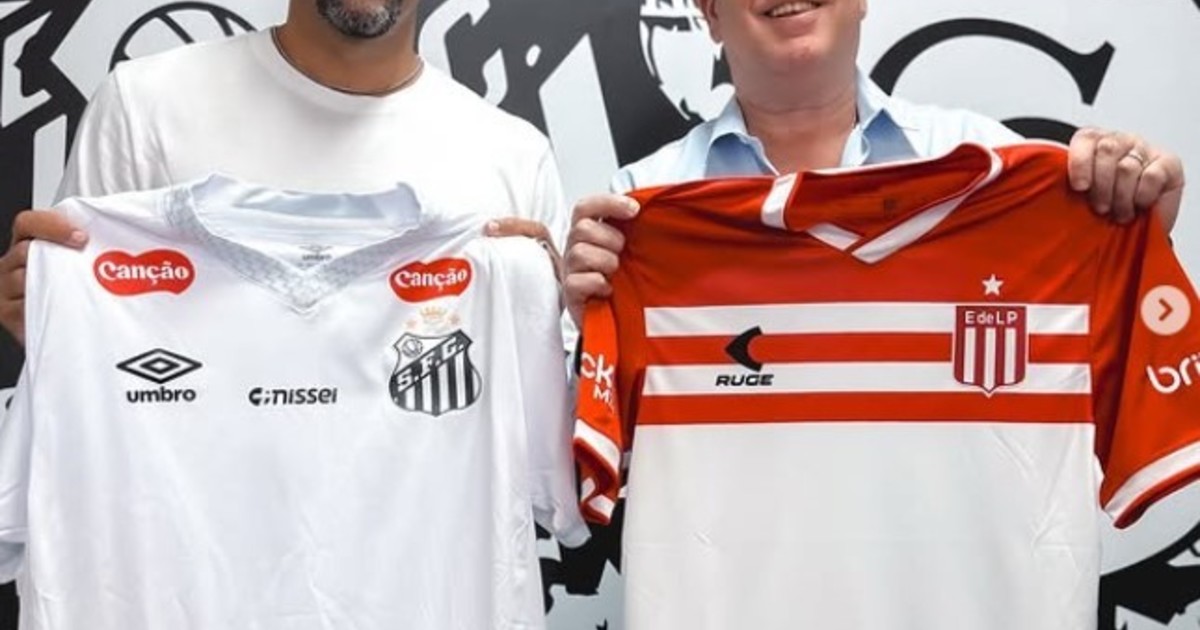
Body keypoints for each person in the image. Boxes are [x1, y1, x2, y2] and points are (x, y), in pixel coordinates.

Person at [562, 0, 1186, 321]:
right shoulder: (640, 203)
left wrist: (1131, 230)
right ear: (709, 13)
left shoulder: (997, 164)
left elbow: (1092, 345)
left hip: (948, 535)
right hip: (736, 538)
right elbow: (598, 454)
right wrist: (591, 332)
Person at [0, 0, 561, 347]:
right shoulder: (143, 106)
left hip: (427, 513)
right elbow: (77, 358)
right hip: (187, 509)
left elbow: (546, 418)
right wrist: (44, 317)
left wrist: (568, 321)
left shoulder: (512, 156)